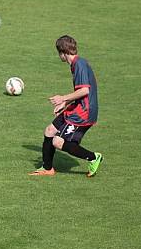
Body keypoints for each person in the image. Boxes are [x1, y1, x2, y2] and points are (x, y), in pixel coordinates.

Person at [30, 35, 103, 177]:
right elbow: (80, 92)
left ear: (62, 52)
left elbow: (84, 90)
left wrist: (62, 98)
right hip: (78, 106)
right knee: (50, 131)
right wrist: (65, 103)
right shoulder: (77, 63)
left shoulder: (79, 65)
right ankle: (47, 168)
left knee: (58, 141)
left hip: (83, 112)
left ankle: (94, 157)